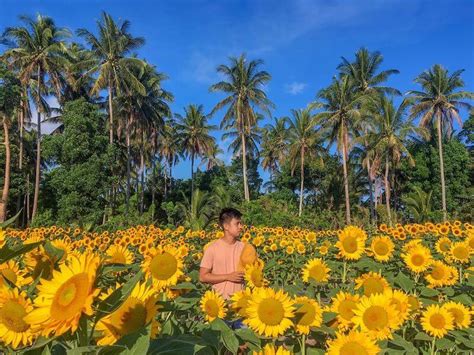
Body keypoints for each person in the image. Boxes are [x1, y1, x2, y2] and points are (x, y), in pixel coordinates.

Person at [199, 207, 245, 300]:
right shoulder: (212, 249)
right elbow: (203, 277)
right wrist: (228, 277)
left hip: (241, 301)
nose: (241, 227)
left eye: (241, 223)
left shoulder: (244, 247)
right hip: (220, 303)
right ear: (226, 226)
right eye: (237, 223)